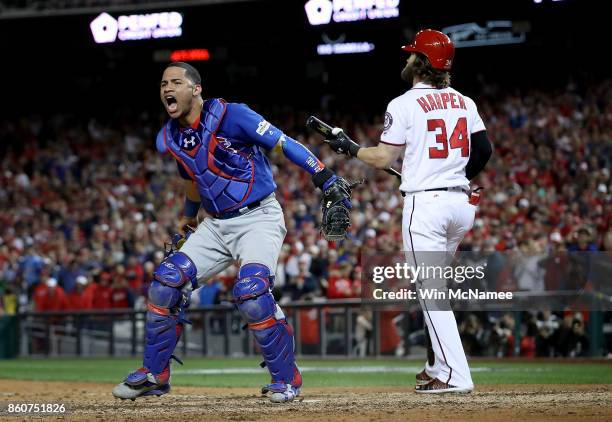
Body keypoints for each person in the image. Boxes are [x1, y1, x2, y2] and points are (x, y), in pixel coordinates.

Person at [113, 62, 351, 403]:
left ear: (196, 89)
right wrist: (187, 224)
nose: (168, 88)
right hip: (215, 224)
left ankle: (286, 379)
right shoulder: (171, 137)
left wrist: (323, 175)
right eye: (164, 83)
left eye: (176, 82)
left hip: (259, 217)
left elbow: (283, 143)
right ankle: (155, 374)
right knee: (166, 282)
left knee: (252, 292)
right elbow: (193, 182)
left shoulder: (233, 115)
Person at [322, 29, 492, 392]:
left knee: (431, 292)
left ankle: (456, 376)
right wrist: (453, 174)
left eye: (411, 54)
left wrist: (350, 148)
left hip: (427, 206)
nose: (406, 59)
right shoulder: (465, 101)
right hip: (461, 204)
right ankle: (436, 365)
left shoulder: (403, 103)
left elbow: (383, 157)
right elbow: (484, 151)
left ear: (421, 62)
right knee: (436, 288)